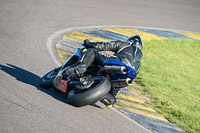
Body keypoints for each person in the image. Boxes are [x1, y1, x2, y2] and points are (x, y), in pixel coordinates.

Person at [66, 35, 143, 107]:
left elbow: (102, 46)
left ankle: (81, 66)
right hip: (126, 75)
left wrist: (89, 43)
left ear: (130, 41)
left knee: (92, 51)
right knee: (113, 97)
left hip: (117, 62)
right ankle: (108, 98)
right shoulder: (139, 64)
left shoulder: (125, 44)